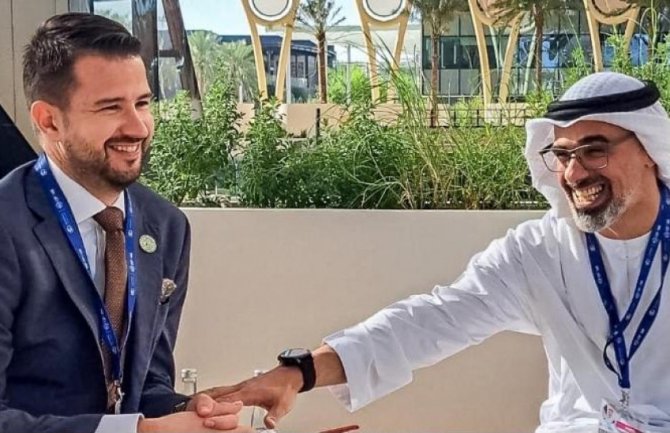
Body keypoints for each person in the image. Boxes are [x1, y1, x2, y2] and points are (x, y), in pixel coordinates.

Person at [204, 72, 670, 433]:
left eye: (594, 150)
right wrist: (300, 372)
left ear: (649, 148)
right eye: (563, 155)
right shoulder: (538, 252)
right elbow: (427, 321)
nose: (574, 173)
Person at [0, 12, 247, 433]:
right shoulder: (8, 226)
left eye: (142, 103)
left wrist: (191, 410)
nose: (138, 127)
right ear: (48, 120)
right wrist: (139, 432)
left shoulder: (165, 226)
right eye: (110, 107)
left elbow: (145, 385)